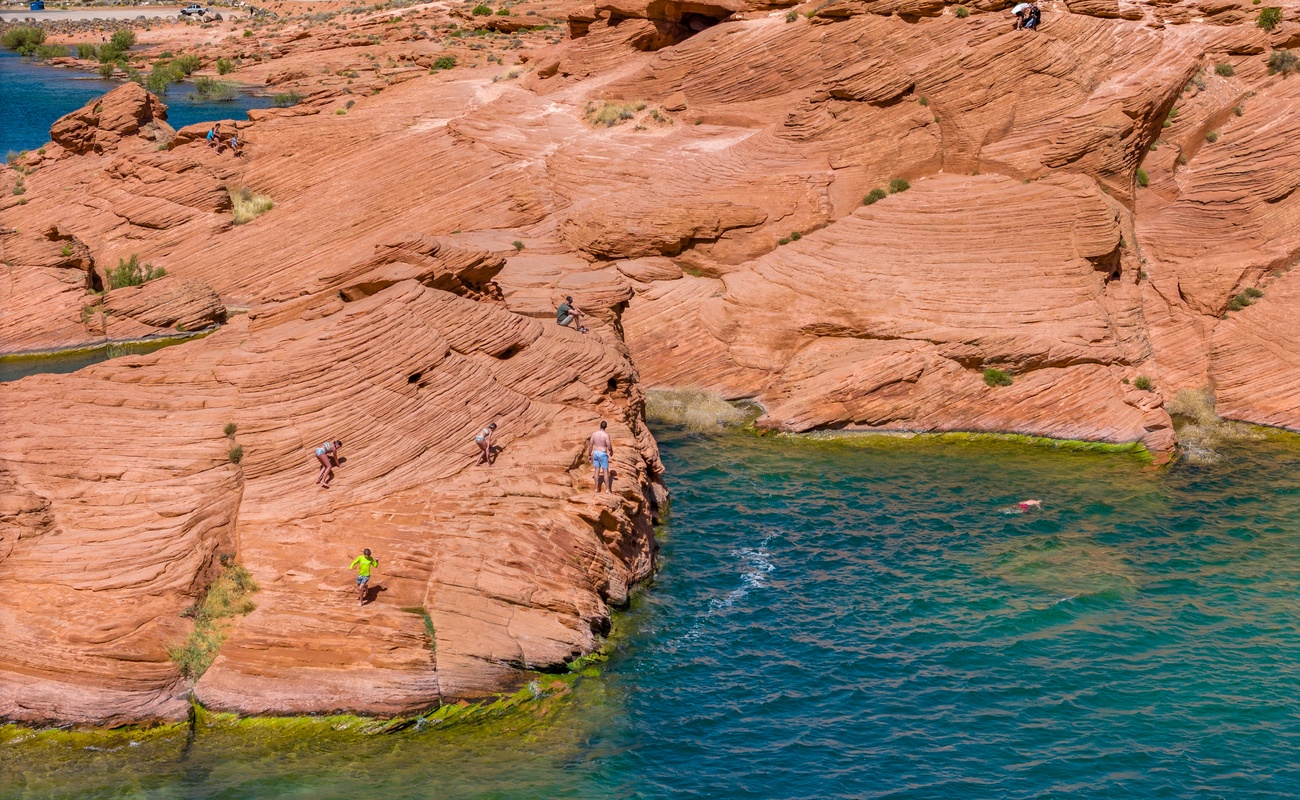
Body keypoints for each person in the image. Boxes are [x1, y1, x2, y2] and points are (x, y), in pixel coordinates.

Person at [584, 420, 613, 493]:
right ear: (606, 427)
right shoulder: (606, 435)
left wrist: (589, 454)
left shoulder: (594, 434)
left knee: (597, 470)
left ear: (600, 426)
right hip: (603, 453)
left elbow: (591, 445)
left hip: (596, 453)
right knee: (605, 471)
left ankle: (596, 489)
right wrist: (611, 451)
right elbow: (609, 446)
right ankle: (607, 490)